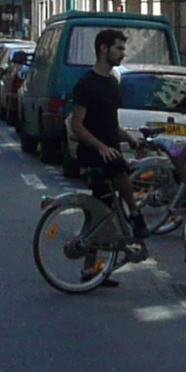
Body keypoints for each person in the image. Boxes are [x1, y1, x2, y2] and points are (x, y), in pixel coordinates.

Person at [65, 27, 135, 247]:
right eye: (119, 48)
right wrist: (101, 147)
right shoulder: (87, 83)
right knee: (119, 169)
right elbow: (77, 124)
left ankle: (91, 271)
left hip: (110, 150)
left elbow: (110, 122)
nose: (123, 53)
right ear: (104, 49)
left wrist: (129, 138)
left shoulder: (112, 82)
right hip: (95, 154)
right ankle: (135, 214)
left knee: (100, 211)